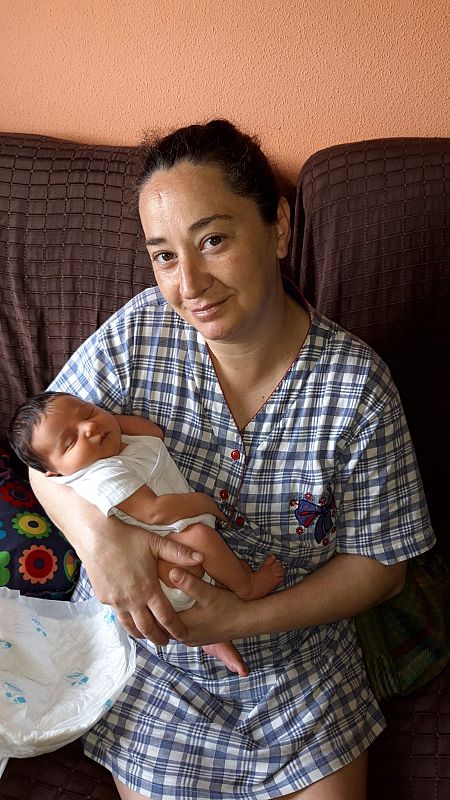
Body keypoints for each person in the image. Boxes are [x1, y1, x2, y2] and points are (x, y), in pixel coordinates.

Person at [29, 119, 435, 800]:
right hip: (157, 655)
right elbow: (43, 460)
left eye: (212, 240)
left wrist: (241, 618)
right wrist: (104, 543)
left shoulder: (356, 387)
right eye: (163, 256)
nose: (189, 284)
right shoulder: (136, 336)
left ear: (277, 229)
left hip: (302, 655)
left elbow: (382, 568)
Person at [8, 390, 284, 676]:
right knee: (202, 539)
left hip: (168, 547)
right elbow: (155, 512)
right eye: (70, 441)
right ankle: (247, 588)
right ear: (55, 473)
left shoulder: (116, 444)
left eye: (87, 413)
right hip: (154, 574)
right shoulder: (102, 475)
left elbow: (153, 432)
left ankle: (213, 639)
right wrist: (206, 504)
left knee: (214, 559)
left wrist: (108, 422)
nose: (88, 428)